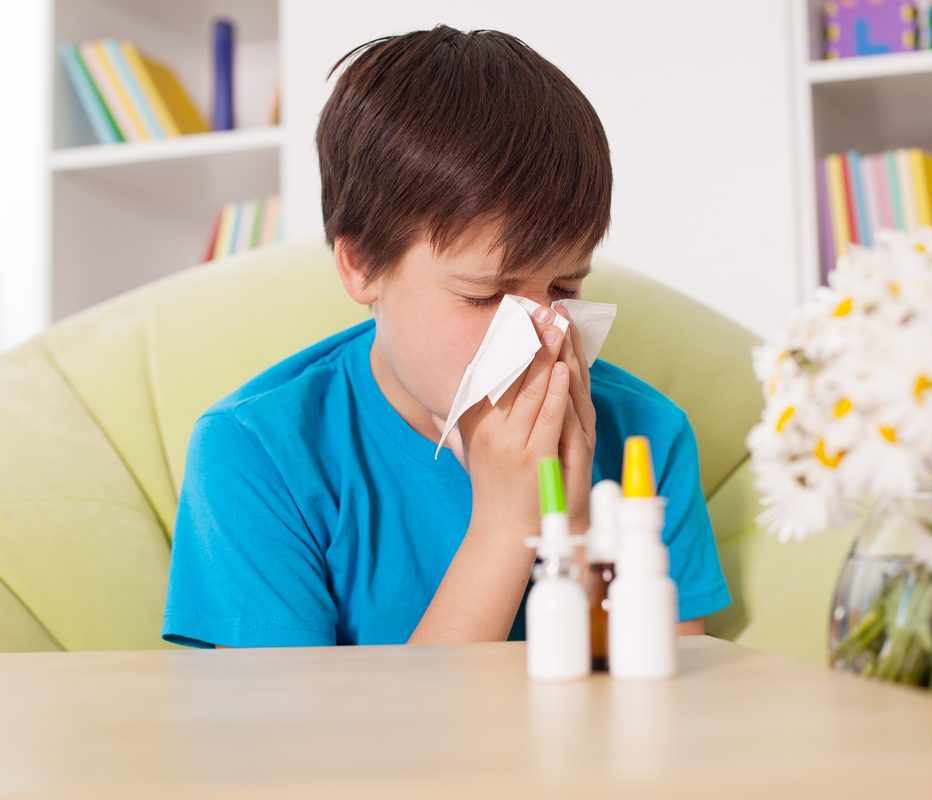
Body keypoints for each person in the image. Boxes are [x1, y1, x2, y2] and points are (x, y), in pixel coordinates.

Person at [162, 24, 730, 648]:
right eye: (485, 296)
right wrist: (508, 521)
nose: (540, 334)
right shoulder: (255, 454)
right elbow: (304, 744)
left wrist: (572, 526)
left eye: (565, 288)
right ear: (361, 266)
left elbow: (666, 715)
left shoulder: (648, 436)